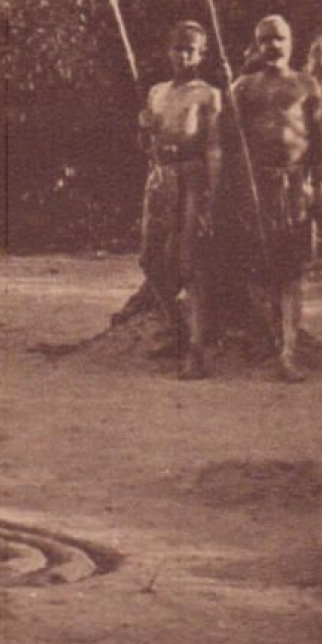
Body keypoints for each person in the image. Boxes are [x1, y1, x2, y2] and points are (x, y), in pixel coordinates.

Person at [230, 14, 322, 383]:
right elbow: (228, 142)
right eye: (265, 40)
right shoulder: (242, 87)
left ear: (291, 43)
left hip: (294, 187)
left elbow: (318, 145)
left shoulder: (307, 86)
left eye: (280, 39)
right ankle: (270, 341)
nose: (273, 46)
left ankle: (289, 351)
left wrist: (318, 193)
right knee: (255, 266)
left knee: (291, 273)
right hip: (254, 188)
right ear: (256, 45)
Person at [138, 20, 222, 379]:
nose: (183, 54)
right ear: (168, 51)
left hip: (192, 177)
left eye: (191, 49)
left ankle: (198, 349)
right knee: (150, 260)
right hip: (161, 176)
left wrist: (211, 196)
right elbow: (146, 147)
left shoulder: (208, 94)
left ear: (202, 54)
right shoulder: (156, 92)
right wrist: (144, 128)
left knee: (190, 264)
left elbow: (214, 148)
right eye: (177, 47)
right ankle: (176, 328)